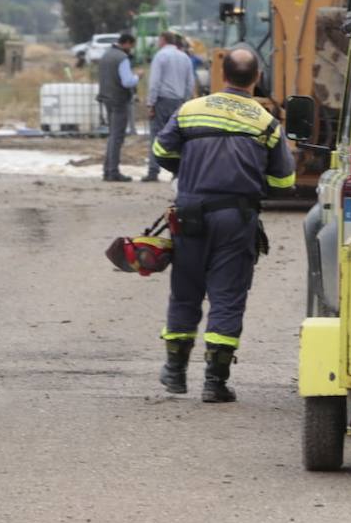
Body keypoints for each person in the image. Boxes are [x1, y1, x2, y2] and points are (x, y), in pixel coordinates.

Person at [150, 47, 295, 402]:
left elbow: (161, 152)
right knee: (227, 297)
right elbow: (284, 181)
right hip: (236, 218)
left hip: (190, 213)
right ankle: (214, 383)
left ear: (222, 75)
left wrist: (190, 170)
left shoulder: (190, 110)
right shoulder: (265, 122)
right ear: (257, 77)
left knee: (185, 291)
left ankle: (175, 372)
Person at [143, 31, 196, 182]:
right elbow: (190, 82)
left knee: (156, 136)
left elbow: (155, 82)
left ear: (163, 40)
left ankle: (153, 171)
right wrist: (185, 101)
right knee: (177, 137)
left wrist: (151, 103)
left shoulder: (160, 56)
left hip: (162, 100)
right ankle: (176, 172)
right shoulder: (184, 57)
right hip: (179, 101)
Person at [97, 32, 140, 182]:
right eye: (131, 46)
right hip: (119, 100)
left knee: (112, 135)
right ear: (127, 43)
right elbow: (127, 82)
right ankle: (113, 171)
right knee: (117, 137)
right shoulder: (122, 58)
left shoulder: (106, 55)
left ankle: (107, 170)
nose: (131, 49)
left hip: (106, 98)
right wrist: (138, 77)